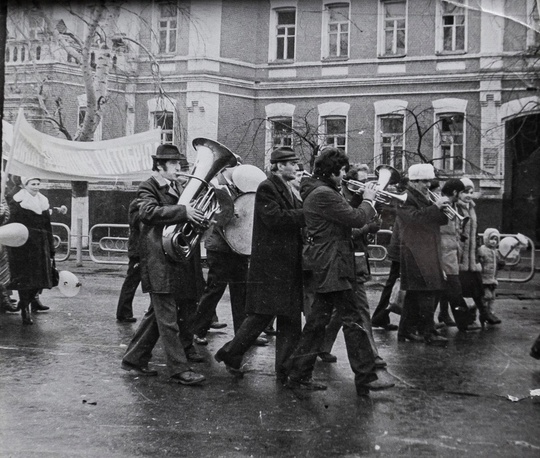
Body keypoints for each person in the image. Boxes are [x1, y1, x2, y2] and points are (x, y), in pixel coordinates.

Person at [285, 147, 395, 395]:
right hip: (333, 263)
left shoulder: (321, 191)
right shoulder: (323, 193)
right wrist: (369, 199)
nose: (345, 175)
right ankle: (365, 377)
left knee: (318, 322)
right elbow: (355, 218)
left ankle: (298, 373)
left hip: (329, 262)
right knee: (352, 319)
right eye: (343, 171)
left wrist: (364, 213)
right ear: (333, 171)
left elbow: (341, 222)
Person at [214, 146, 305, 383]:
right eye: (292, 163)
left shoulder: (287, 187)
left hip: (286, 264)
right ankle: (232, 353)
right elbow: (274, 219)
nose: (296, 167)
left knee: (290, 318)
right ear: (278, 166)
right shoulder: (267, 188)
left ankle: (284, 369)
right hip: (272, 266)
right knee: (261, 317)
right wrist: (307, 214)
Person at [121, 144, 206, 386]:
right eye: (174, 164)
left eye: (180, 163)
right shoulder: (149, 186)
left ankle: (134, 359)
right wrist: (183, 211)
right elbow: (148, 213)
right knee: (168, 320)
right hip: (157, 259)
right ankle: (179, 369)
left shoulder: (178, 186)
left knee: (157, 316)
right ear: (160, 165)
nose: (180, 168)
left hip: (173, 259)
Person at [191, 162, 268, 346]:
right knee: (215, 290)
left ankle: (242, 335)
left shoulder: (239, 187)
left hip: (237, 247)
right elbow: (210, 216)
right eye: (236, 167)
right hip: (219, 246)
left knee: (241, 291)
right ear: (226, 169)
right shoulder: (212, 187)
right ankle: (198, 330)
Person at [396, 164, 449, 346]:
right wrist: (436, 207)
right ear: (414, 182)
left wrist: (443, 209)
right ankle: (429, 332)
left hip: (426, 250)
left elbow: (439, 220)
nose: (428, 185)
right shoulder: (405, 197)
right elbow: (415, 219)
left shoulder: (424, 197)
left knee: (414, 293)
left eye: (429, 181)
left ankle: (405, 332)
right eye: (424, 181)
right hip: (415, 252)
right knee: (427, 291)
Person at [7, 177, 55, 325]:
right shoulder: (17, 202)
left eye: (38, 184)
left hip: (41, 245)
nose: (36, 187)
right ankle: (25, 311)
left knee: (41, 279)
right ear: (24, 185)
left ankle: (26, 302)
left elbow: (48, 226)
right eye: (32, 184)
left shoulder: (43, 201)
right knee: (26, 279)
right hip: (24, 246)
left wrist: (51, 247)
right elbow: (11, 224)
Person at [438, 179, 480, 332]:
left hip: (451, 251)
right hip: (445, 253)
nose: (462, 195)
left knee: (444, 290)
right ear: (455, 192)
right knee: (455, 289)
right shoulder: (442, 204)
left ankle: (430, 322)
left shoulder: (452, 205)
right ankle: (465, 322)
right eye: (462, 192)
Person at [456, 178, 487, 327]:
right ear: (458, 193)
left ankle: (481, 315)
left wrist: (478, 249)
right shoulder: (455, 207)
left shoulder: (471, 207)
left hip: (471, 256)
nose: (469, 195)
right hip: (460, 256)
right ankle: (468, 319)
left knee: (475, 287)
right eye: (465, 192)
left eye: (471, 192)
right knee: (462, 290)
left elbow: (475, 232)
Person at [115, 198, 142, 323]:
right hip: (138, 250)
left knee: (131, 282)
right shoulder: (137, 204)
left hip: (138, 249)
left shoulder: (137, 203)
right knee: (131, 283)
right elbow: (137, 222)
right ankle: (123, 313)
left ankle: (124, 312)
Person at [477, 228, 504, 327]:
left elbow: (498, 263)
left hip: (493, 278)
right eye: (492, 239)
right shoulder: (482, 250)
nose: (494, 241)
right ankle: (477, 311)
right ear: (486, 239)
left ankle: (490, 314)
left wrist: (501, 264)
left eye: (496, 239)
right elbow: (479, 261)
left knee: (492, 298)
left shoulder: (496, 251)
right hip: (484, 278)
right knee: (486, 296)